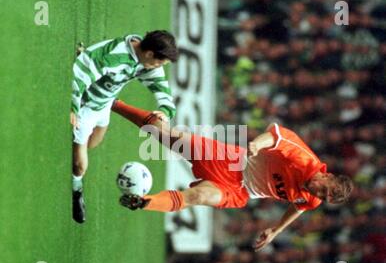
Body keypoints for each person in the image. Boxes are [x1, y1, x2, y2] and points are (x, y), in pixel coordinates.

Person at [111, 100, 354, 251]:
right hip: (233, 160)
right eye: (323, 188)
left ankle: (145, 202)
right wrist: (258, 144)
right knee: (166, 136)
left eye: (323, 196)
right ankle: (114, 104)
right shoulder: (304, 158)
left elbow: (298, 207)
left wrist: (276, 230)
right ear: (327, 175)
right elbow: (277, 135)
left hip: (239, 192)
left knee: (199, 196)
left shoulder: (312, 199)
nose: (317, 193)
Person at [71, 30, 178, 224]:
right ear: (150, 54)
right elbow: (78, 76)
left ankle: (86, 57)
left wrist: (165, 110)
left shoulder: (147, 60)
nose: (159, 68)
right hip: (86, 104)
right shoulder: (115, 56)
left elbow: (161, 86)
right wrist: (73, 107)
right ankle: (76, 191)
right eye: (159, 63)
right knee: (79, 165)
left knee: (93, 143)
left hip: (104, 103)